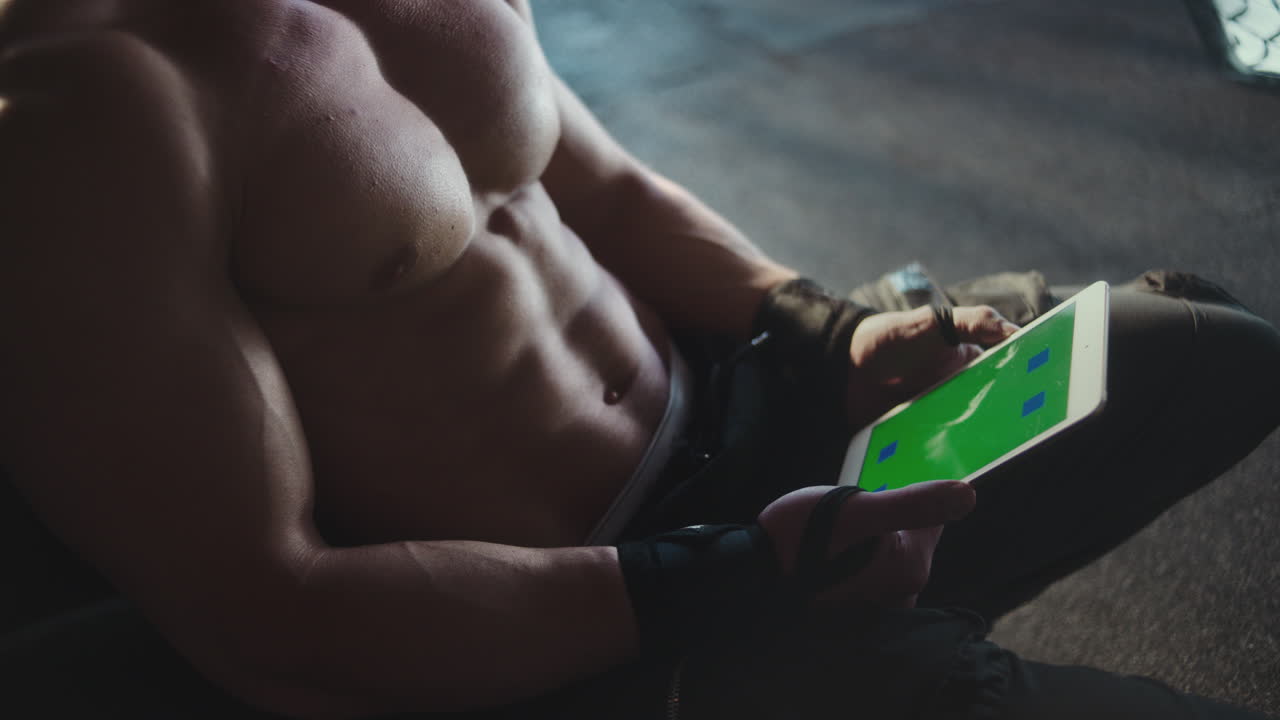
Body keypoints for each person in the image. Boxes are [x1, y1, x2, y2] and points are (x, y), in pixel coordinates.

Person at [0, 1, 1277, 718]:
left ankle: (867, 639)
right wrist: (725, 580)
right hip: (605, 617)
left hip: (752, 430)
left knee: (1201, 351)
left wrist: (822, 330)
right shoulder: (81, 121)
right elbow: (264, 609)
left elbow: (601, 193)